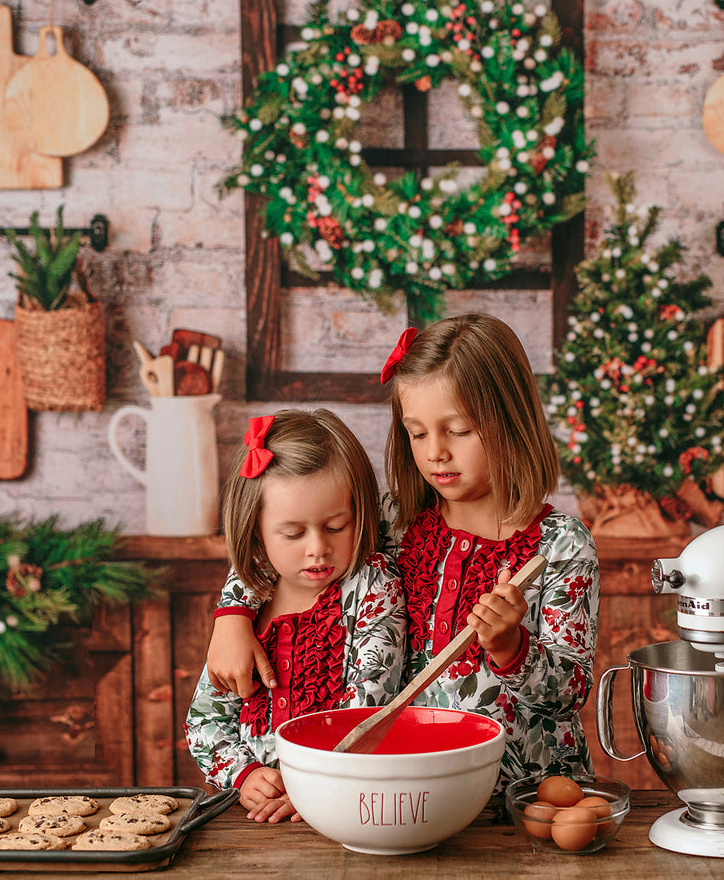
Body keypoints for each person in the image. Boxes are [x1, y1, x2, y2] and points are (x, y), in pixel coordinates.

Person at [206, 314, 599, 787]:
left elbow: (569, 694)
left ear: (510, 420)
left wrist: (511, 648)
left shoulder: (561, 544)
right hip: (408, 790)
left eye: (458, 430)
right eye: (417, 433)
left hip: (522, 795)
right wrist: (232, 613)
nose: (436, 452)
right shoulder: (394, 520)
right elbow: (283, 540)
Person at [184, 410, 406, 823]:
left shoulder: (371, 588)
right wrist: (245, 775)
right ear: (257, 532)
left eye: (337, 526)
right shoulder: (252, 603)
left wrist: (313, 785)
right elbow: (204, 722)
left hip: (347, 808)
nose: (318, 547)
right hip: (258, 820)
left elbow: (371, 706)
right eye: (293, 534)